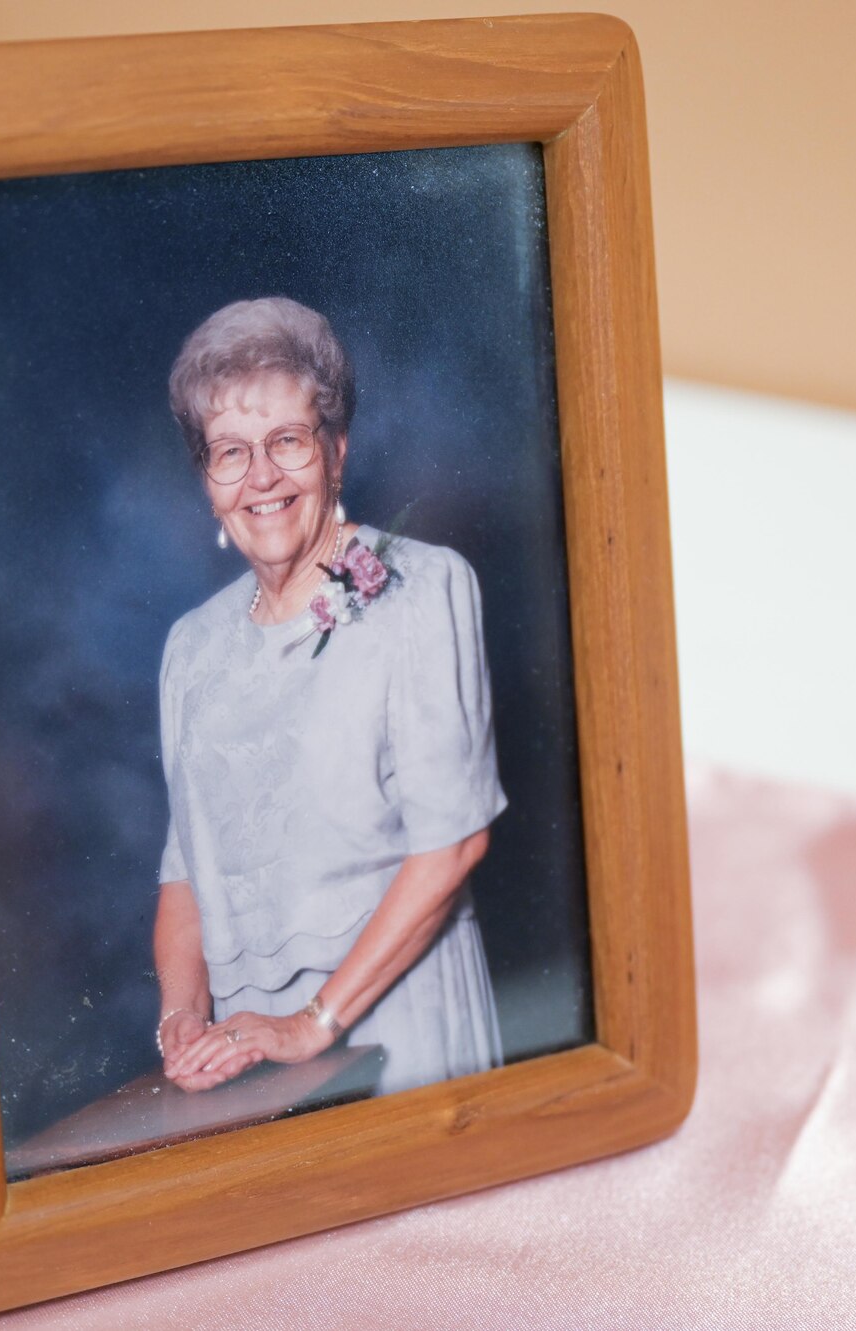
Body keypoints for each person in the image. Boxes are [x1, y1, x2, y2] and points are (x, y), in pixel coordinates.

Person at [153, 296, 506, 1098]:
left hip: (392, 1030)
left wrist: (314, 1020)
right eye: (230, 452)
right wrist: (181, 1016)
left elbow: (452, 843)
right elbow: (185, 871)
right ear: (207, 481)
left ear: (337, 452)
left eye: (287, 441)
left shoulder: (422, 589)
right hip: (252, 1062)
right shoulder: (192, 648)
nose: (262, 477)